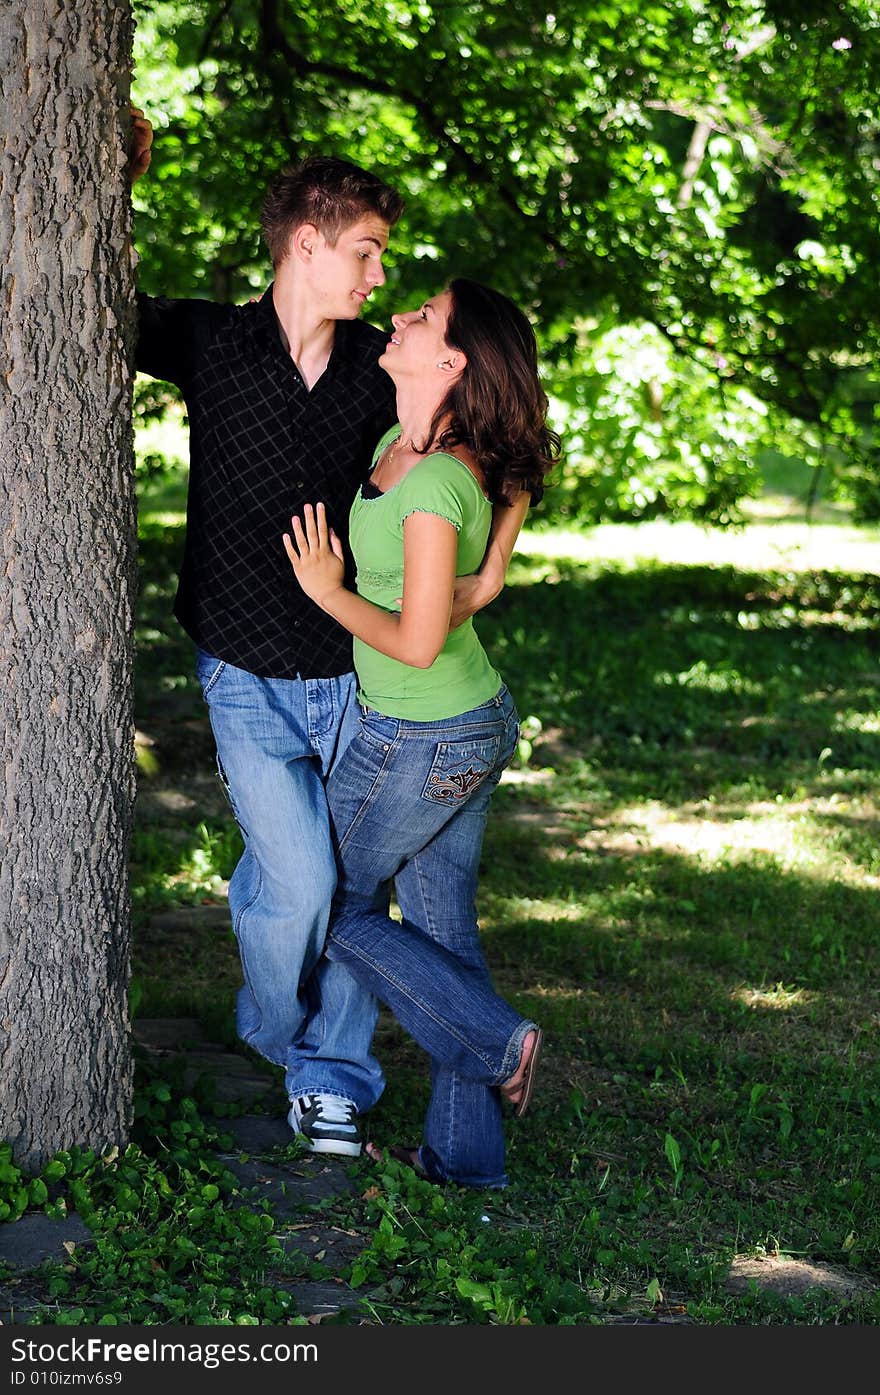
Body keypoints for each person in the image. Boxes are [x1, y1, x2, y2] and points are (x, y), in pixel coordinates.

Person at [128, 112, 530, 1158]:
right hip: (239, 671)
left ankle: (334, 1082)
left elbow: (502, 445)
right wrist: (112, 181)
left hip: (356, 677)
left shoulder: (378, 372)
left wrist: (489, 568)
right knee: (299, 884)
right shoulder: (211, 346)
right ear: (306, 243)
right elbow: (97, 298)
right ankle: (276, 1031)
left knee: (358, 886)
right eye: (366, 249)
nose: (378, 272)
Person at [284, 278, 559, 1186]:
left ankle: (495, 1036)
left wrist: (330, 594)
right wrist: (496, 571)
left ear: (451, 363)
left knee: (329, 900)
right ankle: (466, 1159)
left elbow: (416, 638)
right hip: (454, 725)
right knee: (442, 936)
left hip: (423, 734)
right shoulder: (411, 447)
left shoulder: (438, 481)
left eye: (424, 317)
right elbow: (522, 476)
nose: (398, 315)